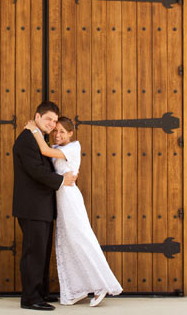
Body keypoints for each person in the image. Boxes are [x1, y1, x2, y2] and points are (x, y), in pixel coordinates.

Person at [24, 116, 122, 306]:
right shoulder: (59, 149)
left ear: (70, 133)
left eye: (62, 131)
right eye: (55, 131)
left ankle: (101, 284)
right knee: (67, 244)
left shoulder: (72, 147)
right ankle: (77, 288)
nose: (57, 134)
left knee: (81, 239)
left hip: (70, 199)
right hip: (60, 199)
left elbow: (44, 150)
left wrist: (33, 129)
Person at [13, 101, 77, 311]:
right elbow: (36, 171)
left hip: (42, 207)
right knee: (34, 253)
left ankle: (40, 293)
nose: (52, 124)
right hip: (32, 207)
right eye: (48, 119)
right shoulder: (26, 140)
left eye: (55, 121)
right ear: (37, 117)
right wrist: (61, 181)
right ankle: (30, 298)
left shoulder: (37, 138)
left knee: (41, 252)